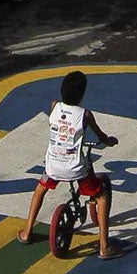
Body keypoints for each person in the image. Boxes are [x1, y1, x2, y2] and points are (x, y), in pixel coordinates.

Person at [20, 69, 119, 258]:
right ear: (82, 95)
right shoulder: (85, 115)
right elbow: (101, 136)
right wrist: (110, 141)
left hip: (53, 165)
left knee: (40, 189)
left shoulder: (54, 106)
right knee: (101, 196)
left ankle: (27, 231)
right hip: (74, 168)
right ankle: (104, 246)